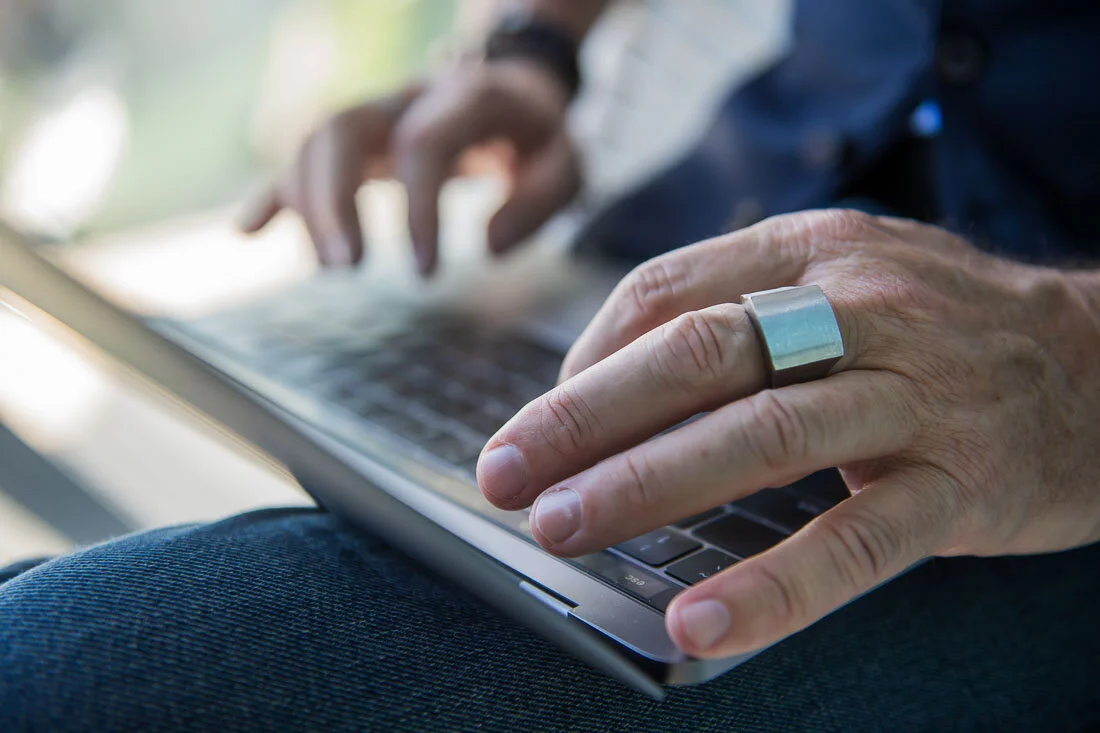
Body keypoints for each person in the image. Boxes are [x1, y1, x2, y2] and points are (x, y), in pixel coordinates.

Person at [3, 1, 1099, 730]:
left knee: (59, 670)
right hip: (696, 250)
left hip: (1046, 469)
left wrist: (1072, 345)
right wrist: (532, 51)